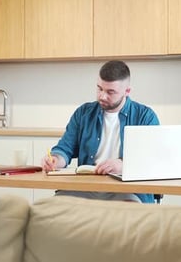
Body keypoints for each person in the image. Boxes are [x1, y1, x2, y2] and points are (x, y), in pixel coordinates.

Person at [41, 60, 160, 203]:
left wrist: (123, 165)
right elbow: (64, 149)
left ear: (127, 91)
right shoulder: (83, 113)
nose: (102, 96)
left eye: (110, 92)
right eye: (99, 89)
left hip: (126, 190)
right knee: (52, 206)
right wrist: (55, 160)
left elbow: (153, 159)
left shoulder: (145, 116)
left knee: (128, 212)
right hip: (85, 187)